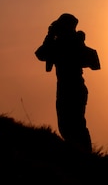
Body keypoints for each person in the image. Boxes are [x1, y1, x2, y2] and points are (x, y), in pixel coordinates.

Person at [35, 13, 100, 152]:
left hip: (73, 88)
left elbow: (42, 53)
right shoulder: (62, 43)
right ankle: (82, 155)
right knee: (67, 127)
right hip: (68, 89)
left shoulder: (67, 44)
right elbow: (41, 54)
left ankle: (85, 156)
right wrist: (52, 36)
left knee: (75, 127)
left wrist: (51, 35)